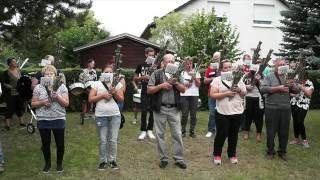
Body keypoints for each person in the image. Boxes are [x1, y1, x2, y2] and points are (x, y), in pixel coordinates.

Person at [147, 53, 187, 169]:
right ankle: (163, 159)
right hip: (160, 109)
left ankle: (178, 159)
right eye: (168, 61)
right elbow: (149, 90)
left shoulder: (178, 74)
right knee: (160, 134)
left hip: (174, 109)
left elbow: (183, 90)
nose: (171, 63)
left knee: (177, 134)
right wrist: (161, 86)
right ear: (163, 63)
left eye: (173, 61)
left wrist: (176, 83)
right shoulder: (157, 73)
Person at [31, 65, 69, 173]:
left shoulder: (62, 87)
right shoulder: (38, 87)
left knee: (60, 144)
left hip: (58, 118)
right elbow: (33, 104)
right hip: (43, 120)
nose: (49, 75)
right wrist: (42, 102)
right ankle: (47, 164)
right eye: (46, 74)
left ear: (55, 75)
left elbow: (66, 103)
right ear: (43, 76)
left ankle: (59, 164)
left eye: (51, 74)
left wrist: (57, 97)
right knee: (45, 144)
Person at [260, 58, 298, 161]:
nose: (282, 66)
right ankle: (270, 151)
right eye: (279, 64)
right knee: (271, 132)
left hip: (285, 108)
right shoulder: (269, 76)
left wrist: (293, 84)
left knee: (284, 132)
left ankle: (282, 152)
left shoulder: (289, 76)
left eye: (283, 64)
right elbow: (263, 89)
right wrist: (278, 88)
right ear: (275, 66)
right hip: (271, 108)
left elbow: (297, 90)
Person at [88, 65, 125, 170]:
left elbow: (121, 99)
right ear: (102, 73)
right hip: (101, 116)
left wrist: (115, 93)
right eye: (106, 72)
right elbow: (90, 99)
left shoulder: (117, 84)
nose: (108, 74)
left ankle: (113, 160)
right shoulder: (96, 84)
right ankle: (103, 161)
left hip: (115, 115)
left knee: (113, 140)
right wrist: (103, 96)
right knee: (103, 140)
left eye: (110, 72)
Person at [210, 60, 247, 165]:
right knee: (221, 135)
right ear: (222, 69)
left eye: (230, 67)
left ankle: (232, 154)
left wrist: (239, 90)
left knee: (234, 135)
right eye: (225, 68)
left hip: (237, 111)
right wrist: (226, 94)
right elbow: (212, 94)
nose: (228, 69)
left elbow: (244, 93)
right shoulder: (217, 80)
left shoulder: (239, 79)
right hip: (222, 112)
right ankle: (217, 154)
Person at [134, 47, 156, 140]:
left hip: (154, 90)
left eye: (153, 55)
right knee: (144, 111)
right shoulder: (140, 65)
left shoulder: (156, 65)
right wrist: (143, 77)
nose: (151, 57)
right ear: (146, 55)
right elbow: (135, 78)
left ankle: (150, 130)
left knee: (152, 111)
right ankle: (143, 130)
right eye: (150, 55)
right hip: (144, 90)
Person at [289, 72, 314, 148]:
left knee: (300, 121)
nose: (300, 81)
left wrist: (301, 86)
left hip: (303, 105)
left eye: (302, 79)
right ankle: (296, 139)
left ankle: (304, 140)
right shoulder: (297, 81)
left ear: (306, 78)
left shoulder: (310, 83)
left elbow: (309, 94)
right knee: (295, 121)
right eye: (299, 79)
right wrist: (292, 88)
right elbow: (293, 91)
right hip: (294, 103)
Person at [242, 60, 264, 142]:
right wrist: (246, 86)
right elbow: (240, 84)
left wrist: (259, 80)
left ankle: (259, 133)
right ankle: (246, 132)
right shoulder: (246, 75)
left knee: (259, 117)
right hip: (248, 98)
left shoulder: (261, 75)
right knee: (248, 116)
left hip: (258, 99)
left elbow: (264, 86)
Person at [180, 56, 201, 138]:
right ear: (184, 64)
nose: (189, 65)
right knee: (184, 114)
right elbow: (179, 84)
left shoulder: (196, 72)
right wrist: (185, 84)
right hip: (184, 95)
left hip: (194, 95)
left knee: (193, 115)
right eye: (187, 64)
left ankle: (192, 131)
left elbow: (198, 85)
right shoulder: (181, 73)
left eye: (190, 64)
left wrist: (194, 76)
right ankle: (183, 131)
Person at [2, 57, 25, 130]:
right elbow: (4, 83)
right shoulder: (6, 73)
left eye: (15, 61)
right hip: (10, 94)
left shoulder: (19, 71)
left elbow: (22, 80)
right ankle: (7, 125)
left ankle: (21, 122)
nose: (15, 63)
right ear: (9, 64)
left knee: (20, 108)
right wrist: (12, 87)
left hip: (19, 93)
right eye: (14, 62)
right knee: (10, 109)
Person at [204, 52, 220, 137]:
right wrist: (212, 79)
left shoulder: (223, 68)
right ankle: (210, 130)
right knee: (212, 112)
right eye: (215, 57)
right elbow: (205, 80)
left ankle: (219, 129)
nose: (216, 58)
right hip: (211, 94)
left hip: (221, 94)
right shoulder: (210, 68)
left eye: (218, 57)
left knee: (221, 112)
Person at [79, 59, 97, 123]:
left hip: (92, 89)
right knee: (84, 102)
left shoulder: (94, 71)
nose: (93, 65)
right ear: (88, 64)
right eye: (92, 63)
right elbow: (80, 80)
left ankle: (91, 114)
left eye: (94, 64)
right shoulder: (83, 71)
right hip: (84, 89)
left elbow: (95, 80)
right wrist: (85, 87)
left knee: (91, 101)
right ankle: (83, 114)